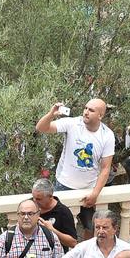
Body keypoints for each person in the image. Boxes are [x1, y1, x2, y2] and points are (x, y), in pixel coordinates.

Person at [36, 98, 115, 235]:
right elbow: (41, 128)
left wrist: (95, 193)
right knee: (58, 227)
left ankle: (86, 255)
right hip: (64, 185)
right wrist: (51, 114)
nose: (86, 112)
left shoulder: (107, 135)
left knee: (91, 228)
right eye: (85, 108)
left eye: (91, 110)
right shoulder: (72, 124)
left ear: (100, 115)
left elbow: (105, 168)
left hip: (88, 189)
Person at [31, 179, 79, 249]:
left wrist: (52, 230)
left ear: (50, 197)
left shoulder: (63, 212)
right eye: (33, 198)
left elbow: (73, 243)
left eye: (38, 199)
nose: (34, 201)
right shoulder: (29, 205)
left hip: (56, 254)